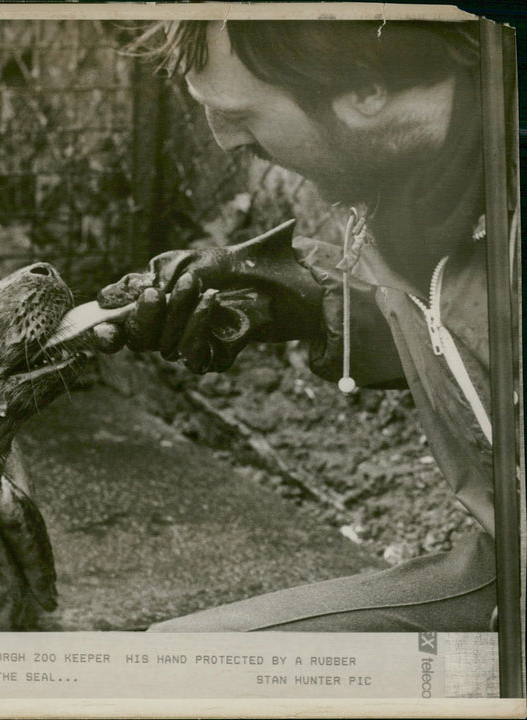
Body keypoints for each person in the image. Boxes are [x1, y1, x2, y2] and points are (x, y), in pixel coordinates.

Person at [91, 20, 509, 631]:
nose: (223, 140)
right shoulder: (419, 184)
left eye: (239, 113)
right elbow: (474, 346)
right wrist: (287, 297)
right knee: (173, 661)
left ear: (366, 94)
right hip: (502, 567)